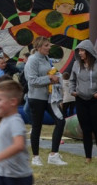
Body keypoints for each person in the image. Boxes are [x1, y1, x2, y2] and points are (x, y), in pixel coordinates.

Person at [65, 39, 97, 163]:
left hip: (96, 100)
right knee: (85, 129)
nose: (80, 53)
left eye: (82, 50)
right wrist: (72, 91)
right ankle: (88, 157)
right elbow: (72, 80)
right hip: (81, 100)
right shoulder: (76, 64)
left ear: (88, 51)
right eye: (79, 51)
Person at [23, 36, 67, 167]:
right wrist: (49, 78)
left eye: (49, 45)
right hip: (35, 98)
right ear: (38, 47)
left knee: (60, 121)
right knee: (37, 127)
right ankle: (35, 157)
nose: (49, 47)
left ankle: (53, 155)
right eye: (46, 45)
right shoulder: (32, 60)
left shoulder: (46, 58)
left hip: (49, 98)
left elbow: (50, 73)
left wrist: (57, 77)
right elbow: (32, 81)